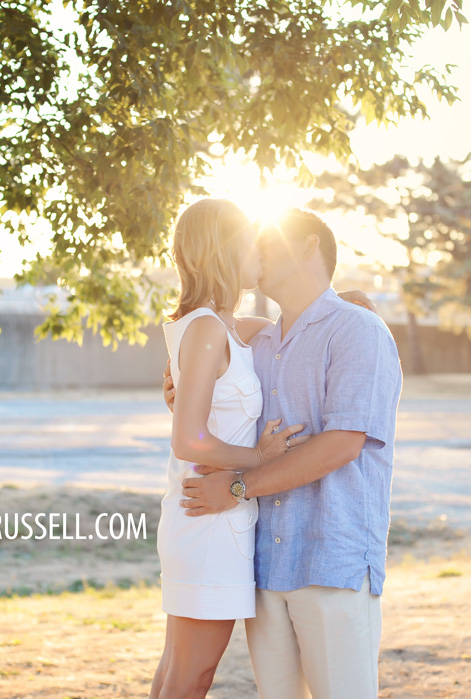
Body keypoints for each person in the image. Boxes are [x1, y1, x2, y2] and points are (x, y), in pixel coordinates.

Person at [165, 208, 402, 698]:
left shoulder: (357, 330)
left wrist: (235, 486)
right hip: (266, 567)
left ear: (309, 248)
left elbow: (342, 444)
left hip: (329, 559)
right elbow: (207, 380)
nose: (256, 255)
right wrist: (176, 383)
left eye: (268, 244)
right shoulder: (258, 341)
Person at [149, 197, 309, 699]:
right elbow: (188, 438)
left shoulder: (225, 327)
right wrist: (260, 458)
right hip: (206, 520)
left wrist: (342, 298)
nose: (260, 252)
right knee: (190, 675)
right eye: (249, 243)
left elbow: (292, 325)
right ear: (223, 251)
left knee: (180, 670)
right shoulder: (205, 328)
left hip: (214, 520)